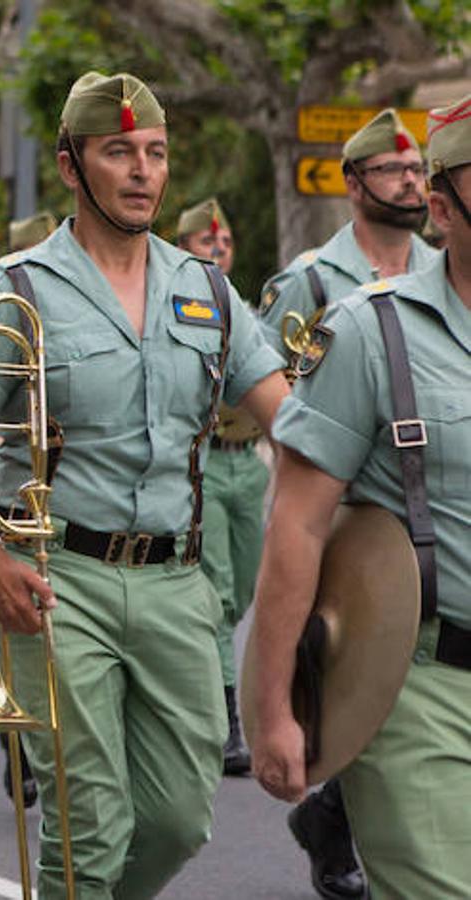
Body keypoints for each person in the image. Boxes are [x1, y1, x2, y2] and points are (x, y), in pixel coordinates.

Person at [0, 72, 288, 898]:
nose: (142, 171)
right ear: (69, 166)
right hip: (58, 581)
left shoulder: (206, 290)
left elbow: (288, 420)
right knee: (89, 824)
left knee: (177, 820)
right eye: (118, 151)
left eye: (155, 153)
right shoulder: (17, 289)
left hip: (176, 584)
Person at [248, 92, 471, 898]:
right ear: (443, 210)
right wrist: (273, 704)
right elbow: (300, 524)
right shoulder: (370, 330)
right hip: (423, 678)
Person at [173, 197, 264, 778]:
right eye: (207, 242)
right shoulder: (178, 306)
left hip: (249, 464)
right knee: (220, 590)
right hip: (204, 458)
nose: (219, 250)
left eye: (225, 242)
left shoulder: (245, 310)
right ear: (183, 249)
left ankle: (206, 689)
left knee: (243, 591)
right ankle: (226, 717)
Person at [260, 110, 437, 351]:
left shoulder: (444, 273)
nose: (409, 180)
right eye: (392, 168)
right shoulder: (308, 281)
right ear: (354, 185)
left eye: (417, 169)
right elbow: (266, 380)